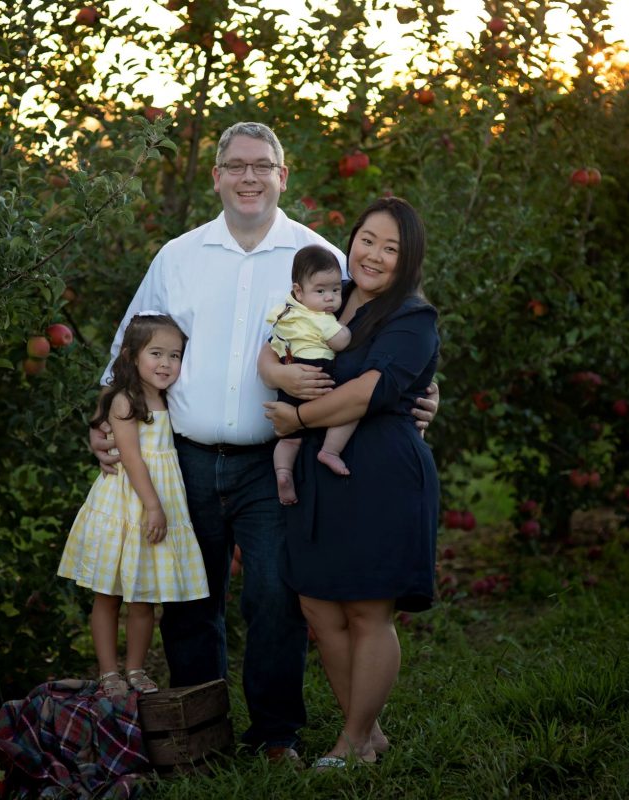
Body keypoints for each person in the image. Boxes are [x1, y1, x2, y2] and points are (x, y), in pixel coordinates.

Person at [90, 122, 438, 762]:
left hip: (275, 460)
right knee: (190, 597)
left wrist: (424, 393)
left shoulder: (321, 257)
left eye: (263, 166)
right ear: (217, 175)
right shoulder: (179, 256)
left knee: (277, 595)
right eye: (236, 166)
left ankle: (275, 734)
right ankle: (201, 734)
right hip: (185, 455)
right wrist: (102, 420)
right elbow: (129, 345)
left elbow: (376, 336)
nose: (249, 178)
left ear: (283, 176)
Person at [262, 196, 440, 769]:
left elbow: (370, 389)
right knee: (317, 604)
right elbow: (275, 350)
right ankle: (368, 732)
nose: (375, 255)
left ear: (407, 260)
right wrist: (273, 372)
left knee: (368, 611)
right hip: (320, 472)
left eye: (391, 248)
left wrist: (298, 419)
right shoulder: (325, 297)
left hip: (380, 472)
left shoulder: (411, 316)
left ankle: (353, 741)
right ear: (351, 239)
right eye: (368, 239)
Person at [59, 313, 209, 698]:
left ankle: (135, 668)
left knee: (144, 595)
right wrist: (153, 507)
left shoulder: (171, 397)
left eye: (174, 356)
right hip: (128, 504)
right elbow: (131, 457)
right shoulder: (124, 401)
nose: (166, 364)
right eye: (155, 353)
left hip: (160, 501)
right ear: (129, 356)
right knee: (108, 593)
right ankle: (109, 672)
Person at [265, 244, 355, 505]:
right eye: (321, 291)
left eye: (336, 291)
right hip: (319, 376)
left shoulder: (286, 313)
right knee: (346, 412)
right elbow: (341, 342)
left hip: (290, 376)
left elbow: (275, 344)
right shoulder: (322, 318)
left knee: (289, 439)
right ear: (298, 291)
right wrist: (344, 329)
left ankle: (283, 472)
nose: (330, 299)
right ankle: (330, 450)